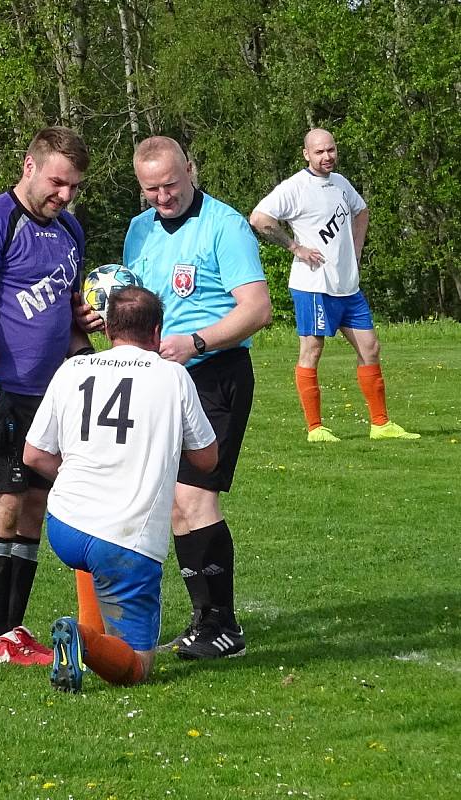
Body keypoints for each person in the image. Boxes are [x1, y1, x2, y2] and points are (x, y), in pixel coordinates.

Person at [118, 136, 272, 660]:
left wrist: (197, 342)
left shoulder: (225, 226)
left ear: (190, 169)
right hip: (159, 380)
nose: (163, 197)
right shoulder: (138, 231)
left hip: (214, 373)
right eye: (151, 189)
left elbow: (257, 309)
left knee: (194, 498)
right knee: (175, 506)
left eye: (170, 184)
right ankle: (205, 622)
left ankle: (222, 626)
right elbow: (137, 306)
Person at [0, 126, 94, 666]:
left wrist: (85, 352)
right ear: (29, 166)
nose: (66, 195)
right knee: (2, 504)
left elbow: (67, 311)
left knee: (34, 506)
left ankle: (13, 633)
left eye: (74, 186)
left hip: (49, 392)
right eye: (58, 182)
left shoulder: (71, 231)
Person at [23, 286, 218, 691]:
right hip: (126, 537)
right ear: (158, 331)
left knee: (94, 553)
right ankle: (80, 639)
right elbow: (206, 459)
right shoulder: (173, 376)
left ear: (108, 328)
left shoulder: (71, 370)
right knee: (137, 669)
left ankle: (83, 636)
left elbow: (34, 454)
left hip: (65, 525)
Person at [250, 128, 420, 443]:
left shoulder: (341, 183)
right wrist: (294, 248)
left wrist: (356, 249)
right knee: (312, 350)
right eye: (319, 152)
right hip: (313, 286)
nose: (327, 156)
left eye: (331, 150)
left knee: (370, 348)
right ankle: (316, 429)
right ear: (306, 154)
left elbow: (362, 210)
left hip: (348, 287)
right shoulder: (295, 188)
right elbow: (259, 218)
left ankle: (381, 424)